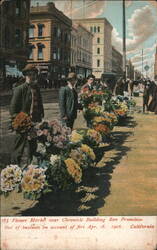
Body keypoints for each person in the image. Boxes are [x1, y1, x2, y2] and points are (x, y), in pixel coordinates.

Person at [10, 64, 44, 166]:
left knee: (32, 147)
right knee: (19, 149)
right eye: (29, 74)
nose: (32, 76)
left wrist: (40, 117)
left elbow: (39, 105)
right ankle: (13, 171)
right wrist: (20, 121)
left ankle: (31, 171)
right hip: (23, 125)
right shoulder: (19, 89)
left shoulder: (36, 88)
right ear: (25, 75)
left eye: (33, 74)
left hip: (34, 124)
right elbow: (13, 109)